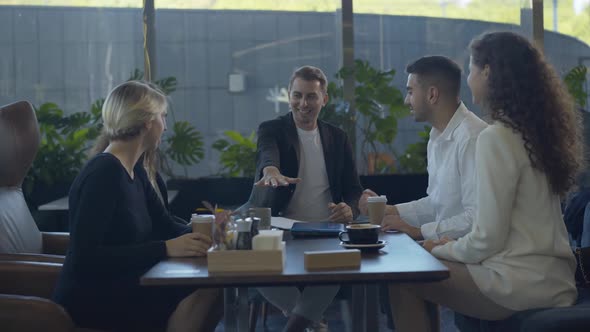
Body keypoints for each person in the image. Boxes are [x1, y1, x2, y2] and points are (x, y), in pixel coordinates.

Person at [388, 31, 582, 332]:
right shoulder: (535, 134)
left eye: (472, 69)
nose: (468, 80)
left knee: (403, 278)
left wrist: (437, 247)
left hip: (519, 283)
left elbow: (487, 238)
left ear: (487, 72)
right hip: (554, 278)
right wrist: (443, 244)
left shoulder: (495, 137)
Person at [52, 81, 222, 332]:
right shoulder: (104, 173)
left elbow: (166, 226)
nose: (165, 127)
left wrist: (208, 228)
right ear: (147, 122)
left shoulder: (136, 171)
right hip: (96, 298)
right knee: (207, 287)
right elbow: (85, 259)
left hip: (127, 282)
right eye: (163, 117)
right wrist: (164, 249)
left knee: (215, 283)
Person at [250, 65, 363, 332]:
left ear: (324, 98)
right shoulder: (272, 129)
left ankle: (300, 326)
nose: (303, 103)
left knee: (337, 266)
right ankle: (314, 324)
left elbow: (354, 189)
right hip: (279, 230)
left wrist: (350, 209)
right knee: (254, 268)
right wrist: (271, 171)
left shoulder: (338, 137)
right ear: (288, 96)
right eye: (297, 95)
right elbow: (268, 155)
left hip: (326, 230)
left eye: (311, 96)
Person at [359, 55, 487, 241]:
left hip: (473, 256)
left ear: (432, 94)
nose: (406, 100)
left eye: (410, 92)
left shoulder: (473, 138)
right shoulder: (436, 136)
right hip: (449, 248)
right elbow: (437, 204)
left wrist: (417, 231)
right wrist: (390, 210)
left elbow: (476, 218)